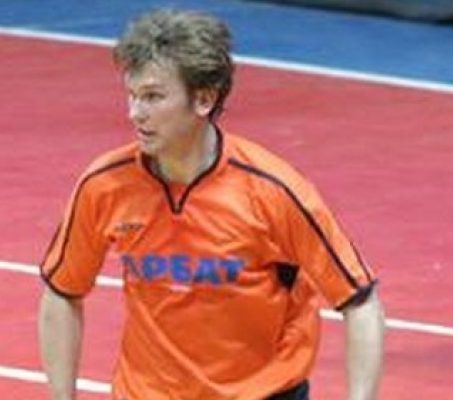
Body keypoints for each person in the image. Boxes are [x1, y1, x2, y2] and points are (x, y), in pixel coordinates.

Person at [38, 8, 384, 400]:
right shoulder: (104, 185)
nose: (134, 113)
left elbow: (360, 301)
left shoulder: (273, 191)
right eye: (132, 95)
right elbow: (62, 291)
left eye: (152, 97)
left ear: (203, 99)